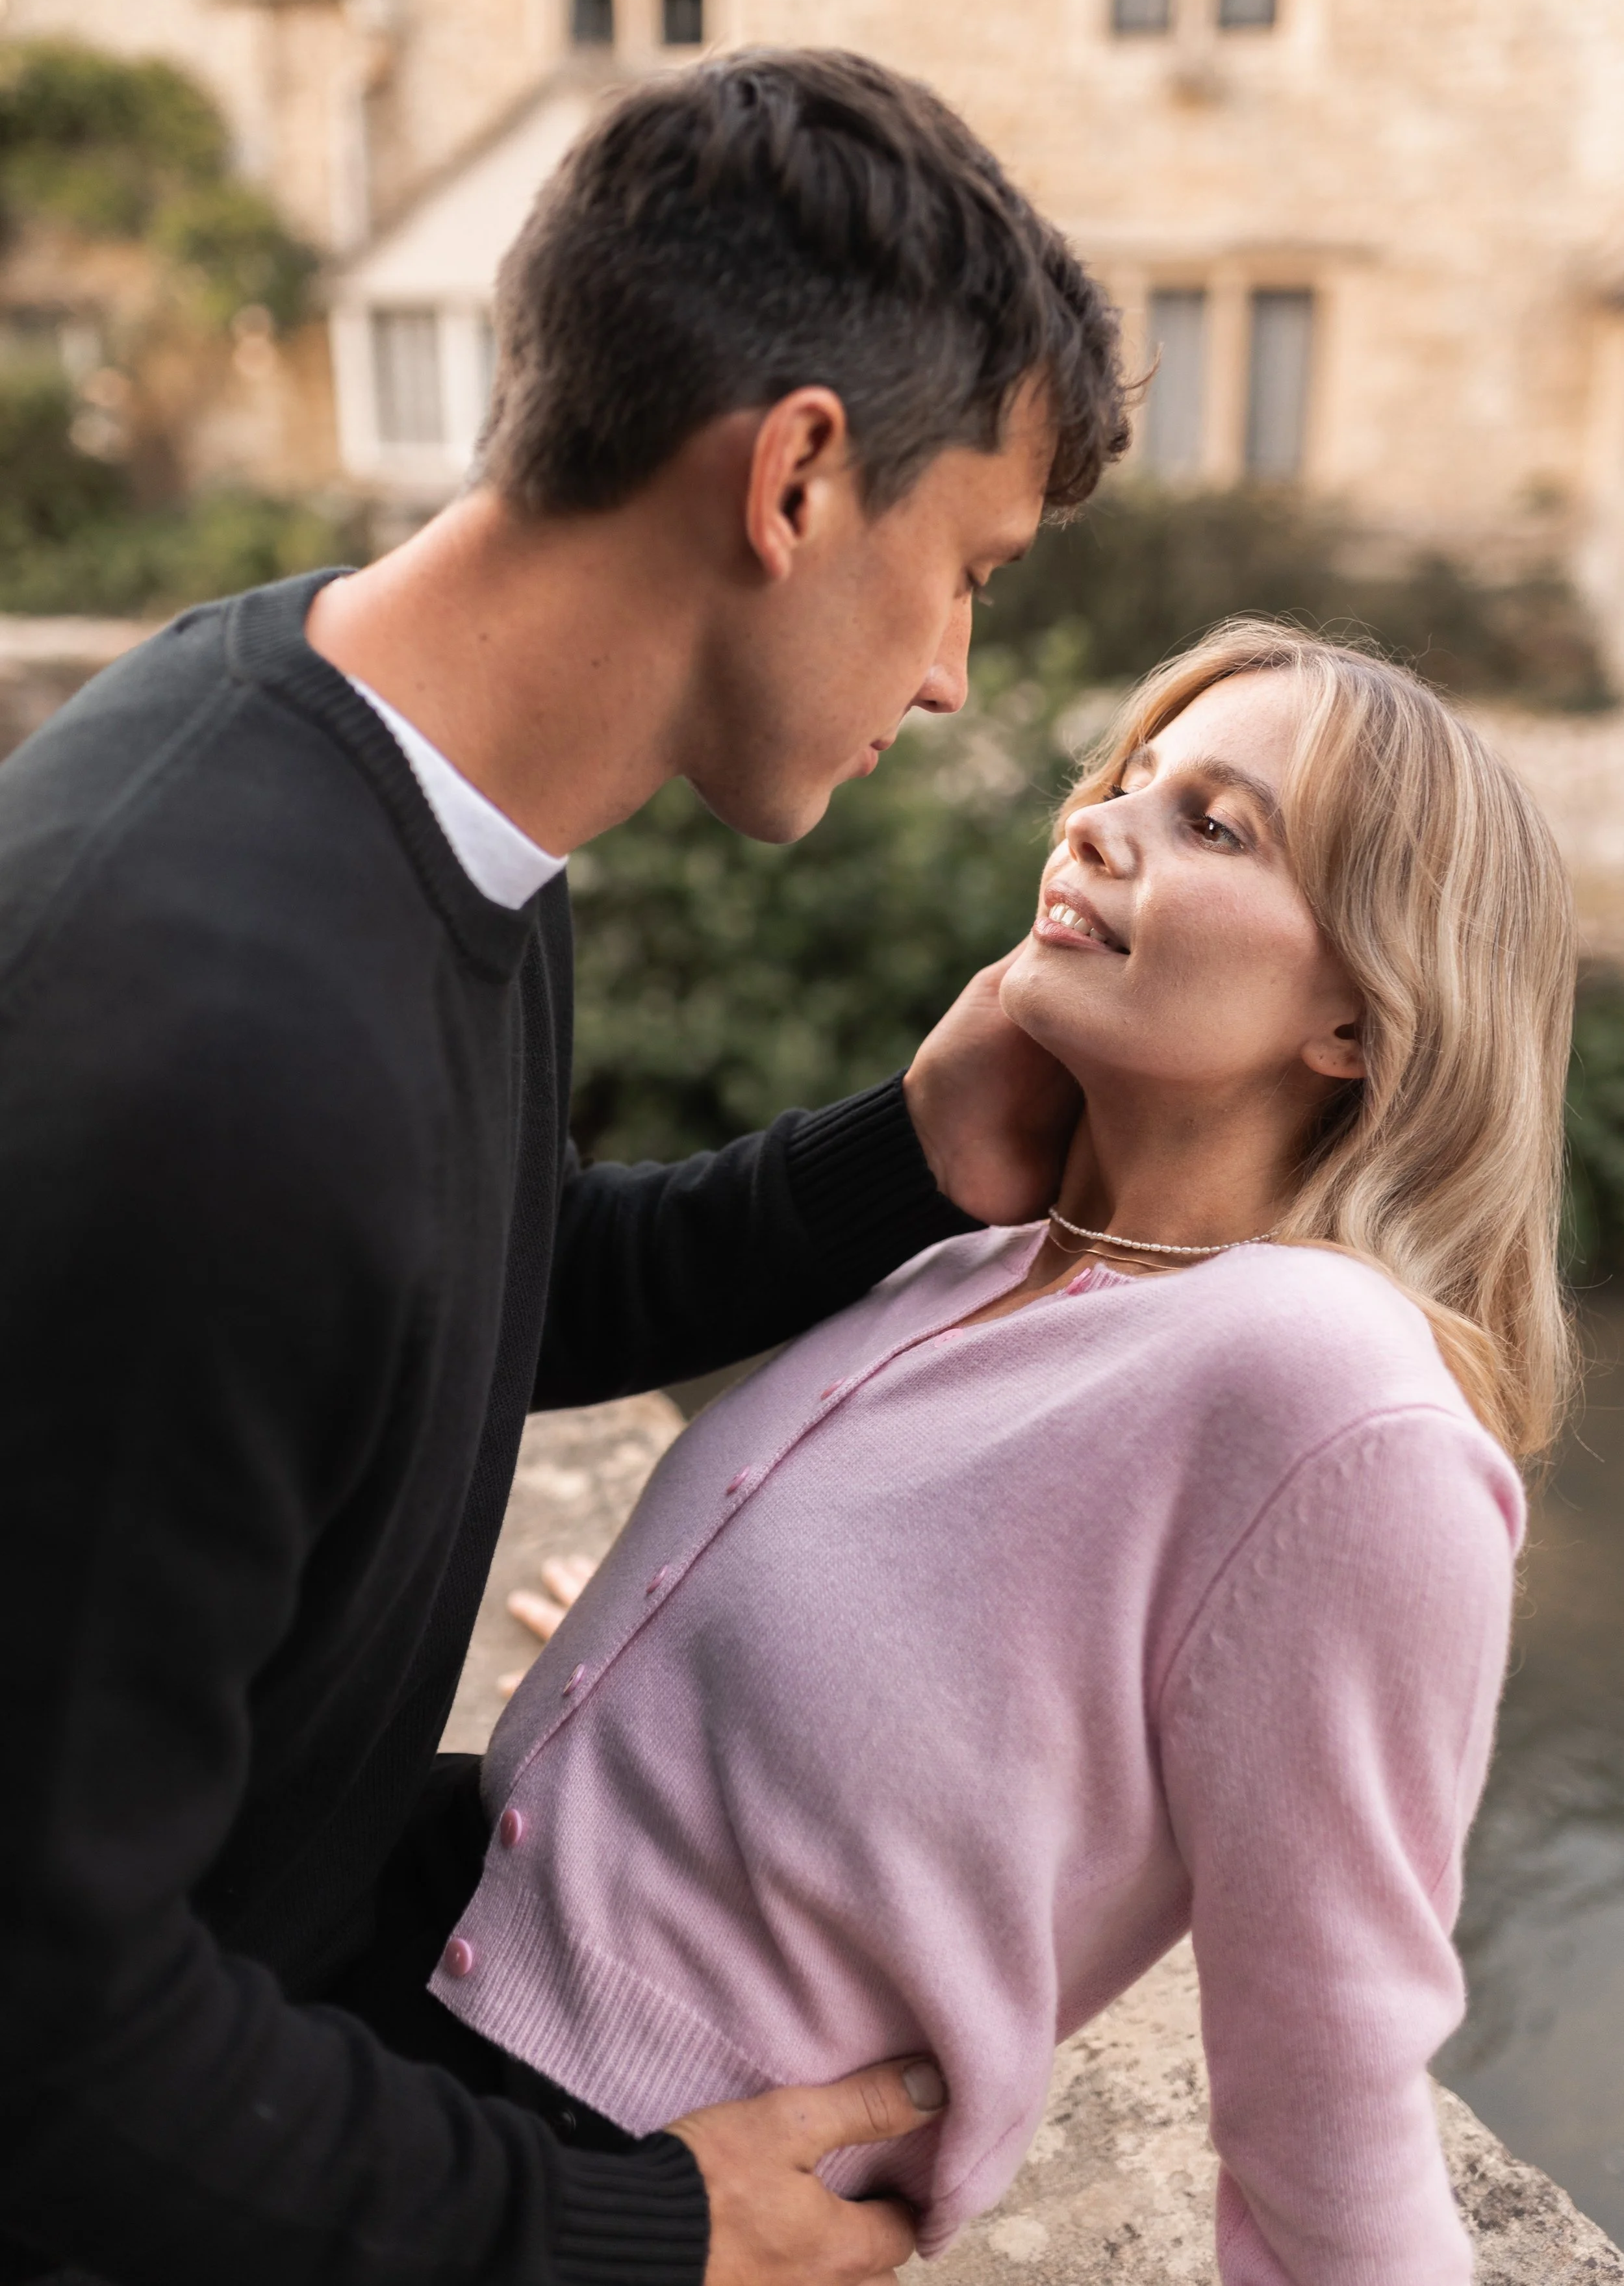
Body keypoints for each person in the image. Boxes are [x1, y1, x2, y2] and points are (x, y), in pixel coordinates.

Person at [0, 49, 1130, 2286]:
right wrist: (635, 2230)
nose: (945, 680)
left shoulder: (353, 762)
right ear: (799, 477)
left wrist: (904, 1161)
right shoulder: (212, 1054)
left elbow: (458, 1292)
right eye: (968, 573)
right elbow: (47, 2042)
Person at [434, 624, 1574, 2286]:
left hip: (611, 2177)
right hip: (435, 2027)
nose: (1097, 821)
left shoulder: (1341, 1400)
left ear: (1355, 1017)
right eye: (1126, 779)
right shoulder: (977, 1258)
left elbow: (1328, 2101)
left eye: (1213, 825)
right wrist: (681, 1676)